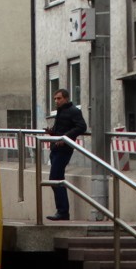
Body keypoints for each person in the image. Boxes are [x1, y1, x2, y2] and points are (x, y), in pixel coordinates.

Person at [45, 89, 86, 220]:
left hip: (64, 149)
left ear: (66, 98)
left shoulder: (73, 111)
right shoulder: (61, 111)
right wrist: (52, 133)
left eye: (59, 98)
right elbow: (61, 127)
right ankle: (62, 212)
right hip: (56, 148)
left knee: (55, 179)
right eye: (55, 99)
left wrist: (65, 137)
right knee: (57, 179)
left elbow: (81, 127)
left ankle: (63, 211)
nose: (56, 101)